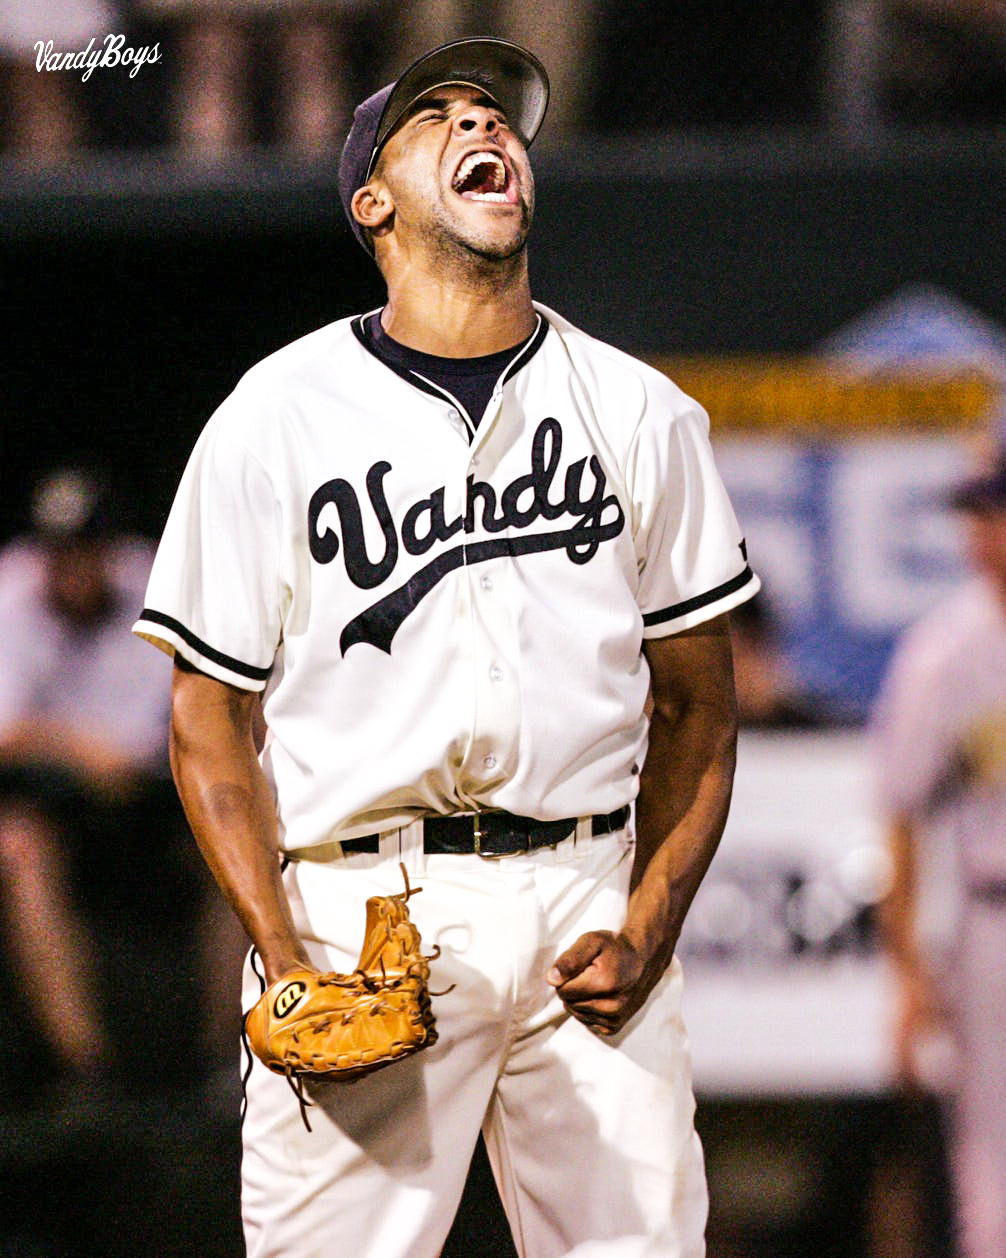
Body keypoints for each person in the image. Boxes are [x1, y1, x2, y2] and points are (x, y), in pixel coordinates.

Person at [134, 37, 760, 1257]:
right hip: (360, 905)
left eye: (498, 115)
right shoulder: (277, 413)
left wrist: (651, 922)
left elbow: (698, 706)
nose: (487, 129)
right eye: (441, 119)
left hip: (584, 886)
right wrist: (284, 959)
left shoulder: (638, 409)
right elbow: (206, 716)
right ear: (372, 200)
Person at [873, 442, 1006, 1258]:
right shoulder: (946, 652)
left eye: (994, 514)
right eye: (976, 515)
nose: (978, 535)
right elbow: (900, 811)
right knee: (993, 1158)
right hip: (996, 927)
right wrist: (909, 974)